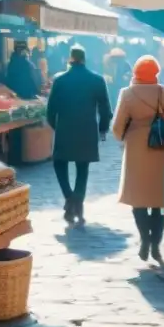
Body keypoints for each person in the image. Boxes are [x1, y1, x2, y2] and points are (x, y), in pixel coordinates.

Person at [111, 55, 164, 264]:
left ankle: (145, 239)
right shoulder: (163, 92)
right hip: (160, 147)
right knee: (158, 201)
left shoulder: (127, 93)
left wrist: (123, 137)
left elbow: (117, 126)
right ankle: (156, 243)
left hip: (136, 148)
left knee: (138, 200)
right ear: (155, 72)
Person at [46, 45, 112, 226]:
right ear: (84, 59)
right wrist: (103, 129)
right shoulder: (97, 80)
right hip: (87, 130)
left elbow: (50, 110)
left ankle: (69, 198)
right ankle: (77, 202)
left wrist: (56, 126)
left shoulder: (60, 80)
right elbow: (105, 109)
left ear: (70, 59)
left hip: (65, 128)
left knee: (59, 163)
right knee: (83, 168)